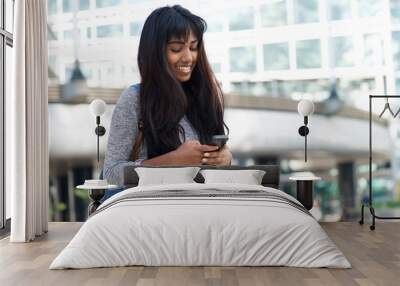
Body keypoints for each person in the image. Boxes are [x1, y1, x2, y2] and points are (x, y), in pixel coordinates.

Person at [103, 5, 232, 187]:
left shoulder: (204, 97)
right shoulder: (134, 99)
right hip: (155, 211)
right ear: (155, 52)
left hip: (202, 209)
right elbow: (112, 173)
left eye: (193, 47)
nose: (188, 57)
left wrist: (225, 159)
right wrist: (173, 160)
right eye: (177, 49)